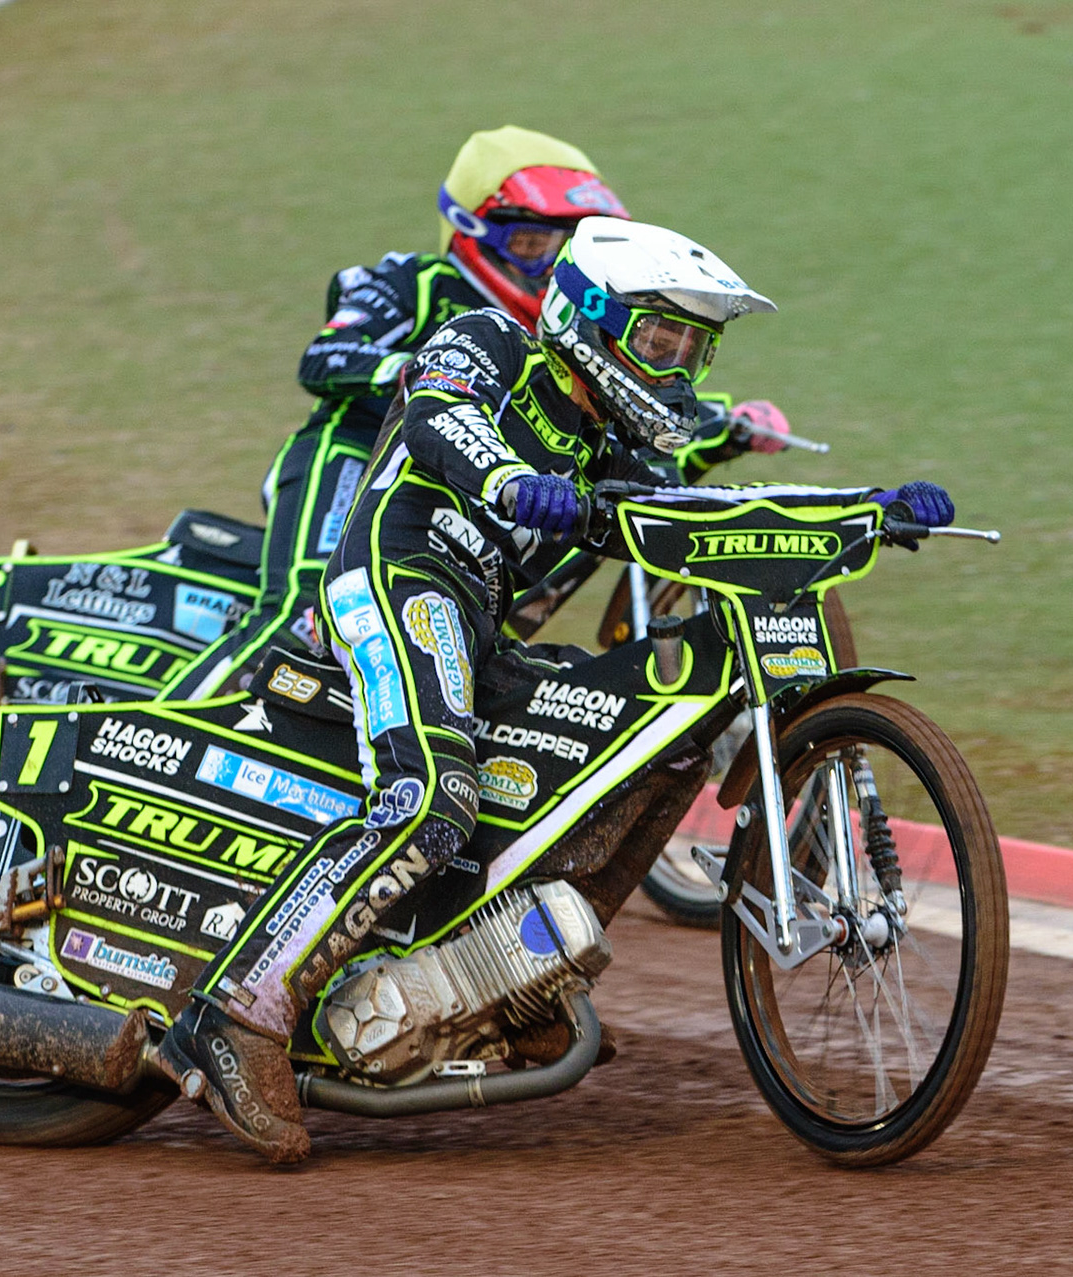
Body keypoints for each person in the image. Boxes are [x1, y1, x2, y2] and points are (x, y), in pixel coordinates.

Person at [159, 217, 956, 1162]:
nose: (677, 367)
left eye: (693, 348)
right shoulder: (490, 338)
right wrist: (507, 476)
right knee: (436, 797)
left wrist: (864, 513)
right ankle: (239, 1009)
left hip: (479, 626)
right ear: (589, 314)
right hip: (389, 579)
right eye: (662, 340)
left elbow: (705, 519)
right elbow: (436, 416)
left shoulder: (619, 439)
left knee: (658, 741)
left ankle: (516, 981)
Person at [158, 126, 793, 700]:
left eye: (565, 247)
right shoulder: (419, 281)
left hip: (477, 497)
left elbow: (635, 405)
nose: (549, 265)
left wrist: (727, 425)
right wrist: (421, 371)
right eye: (530, 243)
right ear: (471, 230)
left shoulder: (565, 331)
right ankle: (160, 724)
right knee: (298, 610)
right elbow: (324, 358)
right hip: (357, 453)